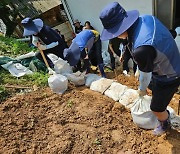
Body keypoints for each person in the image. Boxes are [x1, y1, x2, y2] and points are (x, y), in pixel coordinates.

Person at [99, 2, 180, 135]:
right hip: (171, 59)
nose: (114, 36)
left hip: (169, 74)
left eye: (114, 32)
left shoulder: (141, 48)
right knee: (154, 88)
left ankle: (165, 124)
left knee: (156, 107)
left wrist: (141, 90)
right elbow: (166, 34)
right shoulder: (147, 18)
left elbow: (145, 76)